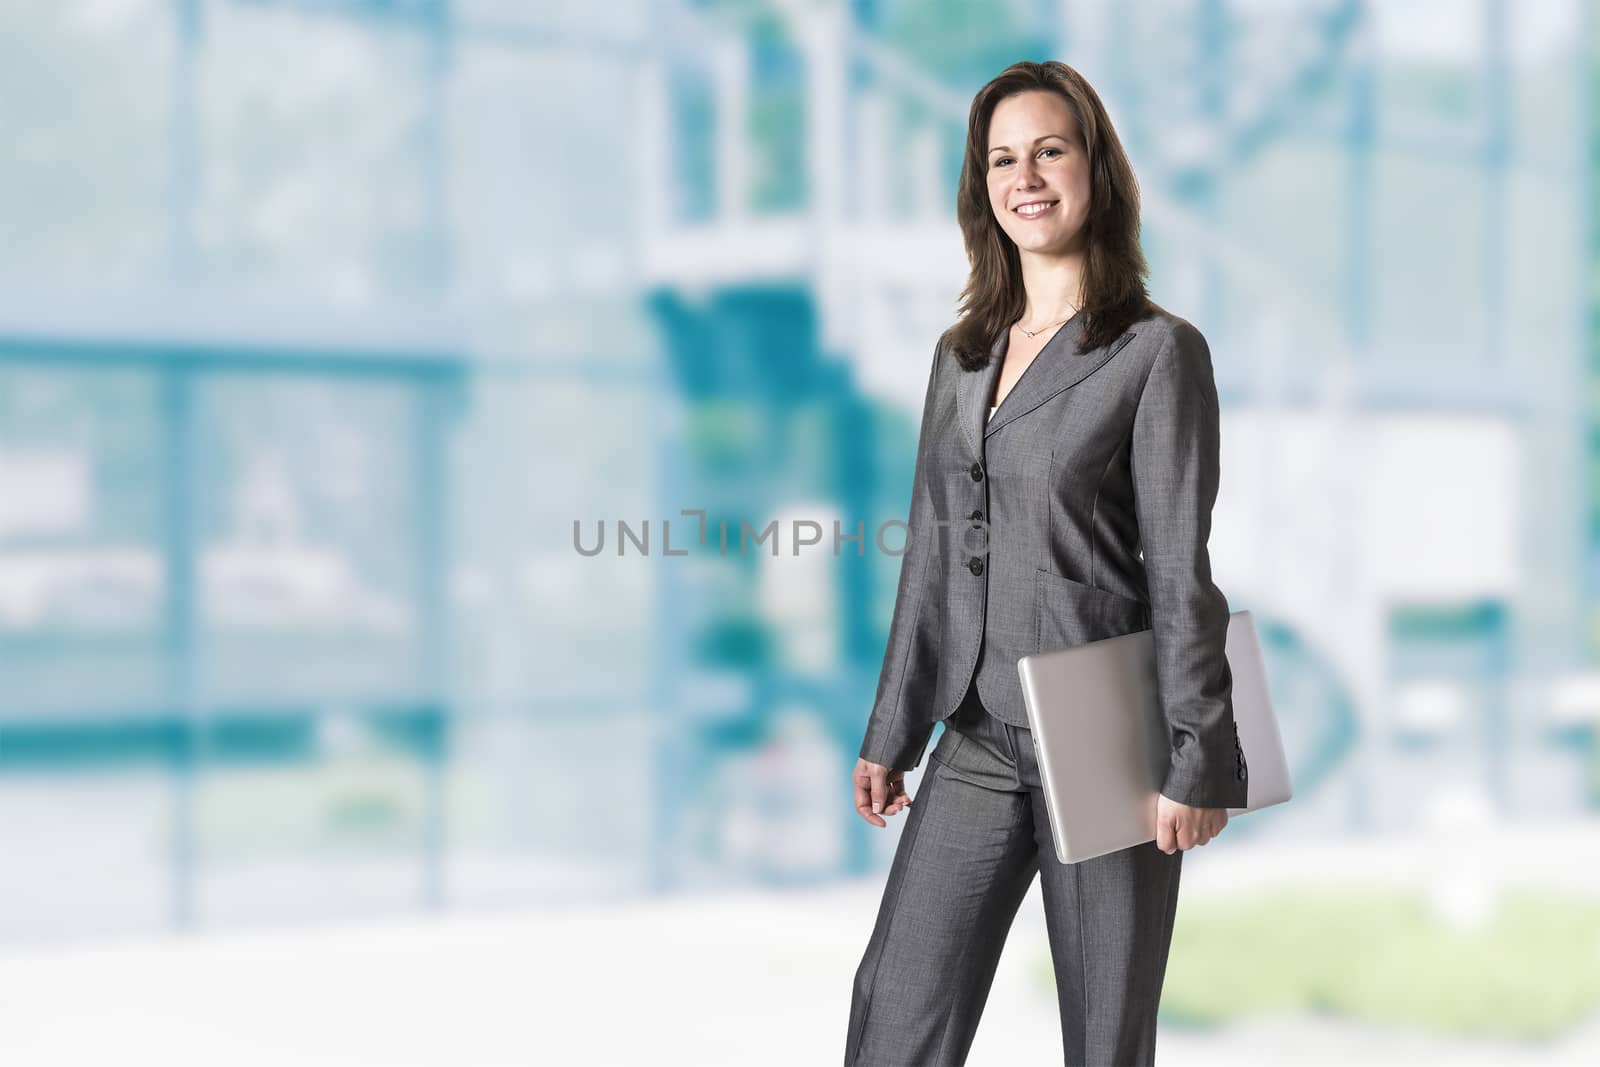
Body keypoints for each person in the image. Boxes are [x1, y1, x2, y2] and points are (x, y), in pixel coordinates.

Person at [844, 60, 1249, 1067]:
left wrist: (1198, 753)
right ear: (980, 187)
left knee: (1105, 1037)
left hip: (1105, 724)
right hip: (975, 727)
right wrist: (891, 728)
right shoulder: (960, 354)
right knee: (892, 1007)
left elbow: (1178, 564)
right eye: (1001, 159)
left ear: (1094, 169)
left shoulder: (1156, 351)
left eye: (1049, 150)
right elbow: (932, 550)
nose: (1025, 175)